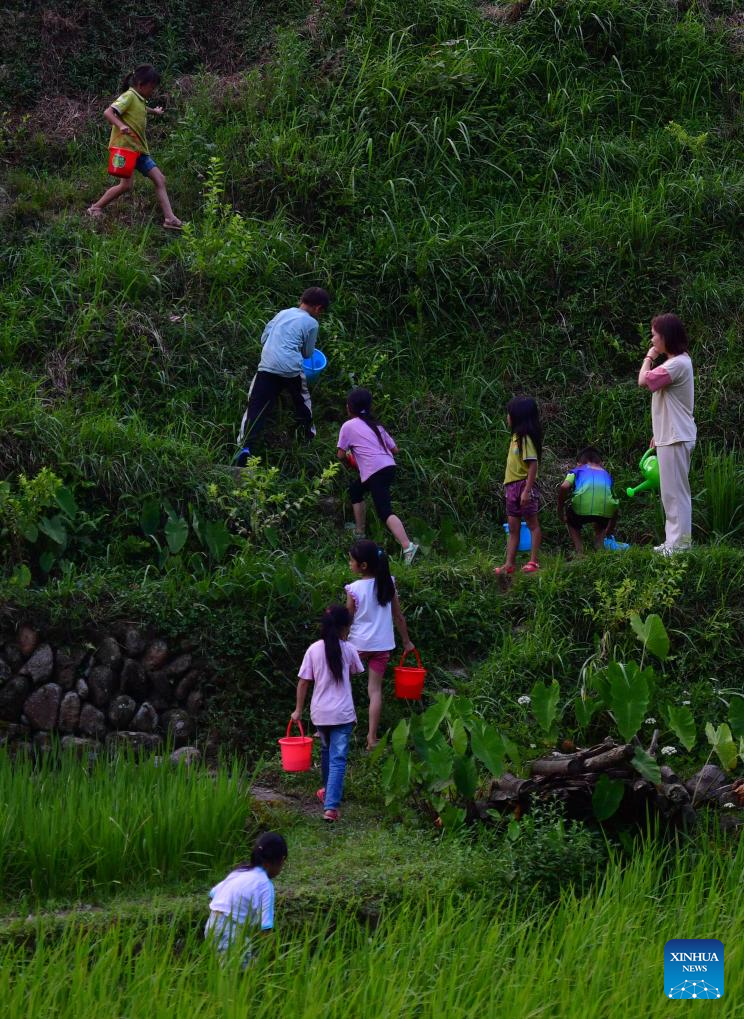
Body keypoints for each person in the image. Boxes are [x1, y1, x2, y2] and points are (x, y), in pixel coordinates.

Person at [236, 288, 330, 464]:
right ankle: (309, 435)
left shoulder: (282, 313)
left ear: (302, 300)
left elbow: (264, 339)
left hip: (267, 366)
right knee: (302, 399)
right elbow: (308, 353)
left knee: (255, 405)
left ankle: (245, 447)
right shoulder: (312, 323)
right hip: (291, 370)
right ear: (318, 308)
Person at [87, 65, 182, 230]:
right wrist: (120, 125)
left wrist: (155, 111)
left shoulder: (139, 99)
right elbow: (108, 112)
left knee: (160, 179)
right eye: (152, 87)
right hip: (126, 150)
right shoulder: (129, 95)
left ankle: (170, 219)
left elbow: (141, 109)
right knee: (126, 185)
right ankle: (95, 208)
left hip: (139, 150)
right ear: (140, 84)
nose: (153, 90)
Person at [292, 605, 363, 822]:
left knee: (326, 751)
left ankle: (327, 792)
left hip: (320, 713)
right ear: (345, 627)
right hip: (342, 713)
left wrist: (298, 710)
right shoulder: (349, 649)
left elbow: (303, 682)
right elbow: (356, 671)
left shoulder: (313, 649)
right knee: (338, 759)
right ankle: (331, 807)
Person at [344, 539, 414, 750]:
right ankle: (372, 738)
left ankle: (334, 727)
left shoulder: (354, 589)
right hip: (382, 646)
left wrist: (340, 641)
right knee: (375, 691)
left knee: (341, 683)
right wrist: (406, 641)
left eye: (351, 560)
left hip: (357, 645)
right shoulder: (388, 583)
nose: (349, 563)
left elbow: (348, 619)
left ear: (363, 565)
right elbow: (398, 616)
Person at [336, 388, 419, 564]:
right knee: (355, 490)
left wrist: (352, 461)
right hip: (388, 467)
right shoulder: (376, 425)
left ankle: (408, 546)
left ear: (350, 407)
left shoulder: (348, 426)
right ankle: (360, 532)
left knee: (384, 511)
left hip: (375, 471)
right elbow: (395, 450)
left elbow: (341, 455)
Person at [637, 313, 696, 552]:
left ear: (666, 337)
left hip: (676, 436)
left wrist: (649, 357)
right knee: (670, 493)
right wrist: (659, 432)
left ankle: (680, 547)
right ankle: (673, 542)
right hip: (671, 434)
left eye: (654, 335)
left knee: (676, 494)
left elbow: (643, 380)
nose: (652, 340)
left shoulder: (676, 364)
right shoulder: (678, 362)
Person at [205, 831, 288, 967]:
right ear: (281, 860)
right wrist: (275, 958)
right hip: (230, 931)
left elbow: (213, 894)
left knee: (231, 968)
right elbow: (266, 929)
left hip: (211, 925)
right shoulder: (265, 885)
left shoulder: (240, 871)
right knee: (243, 973)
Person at [494, 396, 542, 575]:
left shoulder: (525, 439)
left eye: (509, 413)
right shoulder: (515, 438)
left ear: (518, 416)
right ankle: (509, 564)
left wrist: (527, 491)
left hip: (523, 485)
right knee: (513, 528)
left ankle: (533, 561)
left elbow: (533, 465)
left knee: (532, 524)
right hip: (511, 487)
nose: (507, 417)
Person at [557, 447, 619, 555]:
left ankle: (580, 551)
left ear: (578, 463)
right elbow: (613, 501)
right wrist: (609, 529)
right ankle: (599, 547)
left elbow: (564, 487)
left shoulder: (577, 470)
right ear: (601, 463)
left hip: (581, 509)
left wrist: (560, 510)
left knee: (571, 521)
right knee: (601, 521)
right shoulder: (607, 475)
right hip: (606, 509)